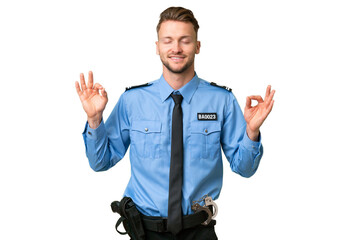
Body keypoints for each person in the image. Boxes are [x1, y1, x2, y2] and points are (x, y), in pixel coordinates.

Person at [75, 6, 275, 240]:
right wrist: (94, 119)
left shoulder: (222, 101)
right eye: (167, 40)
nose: (176, 48)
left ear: (198, 46)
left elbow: (245, 169)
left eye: (185, 40)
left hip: (199, 232)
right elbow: (100, 162)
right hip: (145, 232)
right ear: (157, 47)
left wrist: (252, 131)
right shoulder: (133, 101)